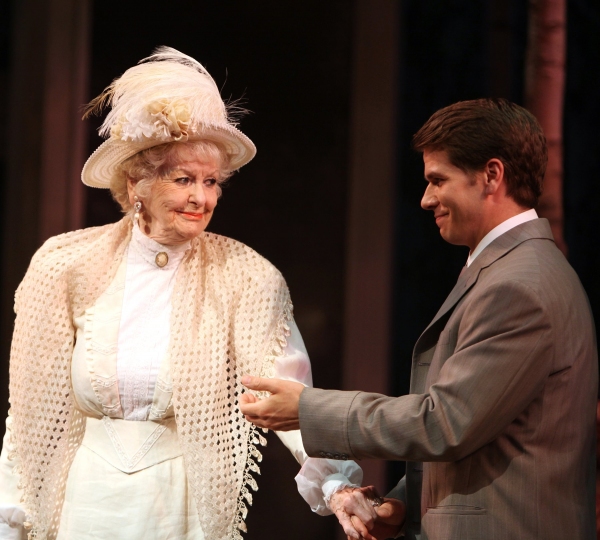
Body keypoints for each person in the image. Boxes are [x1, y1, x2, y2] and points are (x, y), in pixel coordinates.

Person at [0, 47, 364, 540]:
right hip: (83, 506)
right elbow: (28, 416)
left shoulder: (246, 276)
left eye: (212, 181)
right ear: (136, 185)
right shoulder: (65, 265)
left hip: (181, 507)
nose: (204, 197)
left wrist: (338, 486)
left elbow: (287, 395)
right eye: (184, 179)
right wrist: (10, 521)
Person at [240, 98, 598, 540]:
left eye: (437, 180)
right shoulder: (508, 271)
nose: (426, 199)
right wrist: (405, 505)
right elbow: (496, 435)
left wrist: (307, 410)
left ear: (492, 175)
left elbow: (444, 422)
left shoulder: (520, 285)